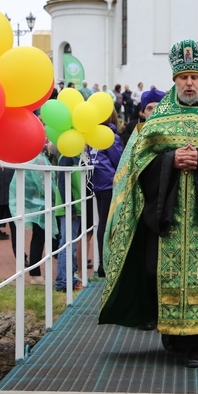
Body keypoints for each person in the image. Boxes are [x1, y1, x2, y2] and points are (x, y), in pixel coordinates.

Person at [99, 39, 198, 368]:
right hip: (167, 217)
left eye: (194, 77)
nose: (189, 83)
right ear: (175, 80)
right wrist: (170, 160)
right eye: (183, 77)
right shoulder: (158, 120)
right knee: (160, 273)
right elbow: (137, 164)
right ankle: (172, 336)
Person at [9, 151, 58, 285]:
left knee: (38, 239)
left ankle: (35, 272)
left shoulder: (26, 157)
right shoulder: (39, 160)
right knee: (38, 239)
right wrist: (55, 196)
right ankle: (35, 274)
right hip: (40, 204)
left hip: (31, 203)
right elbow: (44, 183)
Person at [88, 110, 123, 278]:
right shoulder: (110, 136)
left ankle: (102, 263)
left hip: (97, 183)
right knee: (110, 224)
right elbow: (120, 160)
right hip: (110, 183)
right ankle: (106, 263)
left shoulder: (91, 135)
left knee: (102, 224)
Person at [54, 155, 83, 292]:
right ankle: (66, 281)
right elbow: (63, 183)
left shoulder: (77, 156)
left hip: (75, 206)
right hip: (70, 207)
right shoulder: (67, 156)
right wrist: (70, 207)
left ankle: (62, 281)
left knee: (66, 244)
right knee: (68, 244)